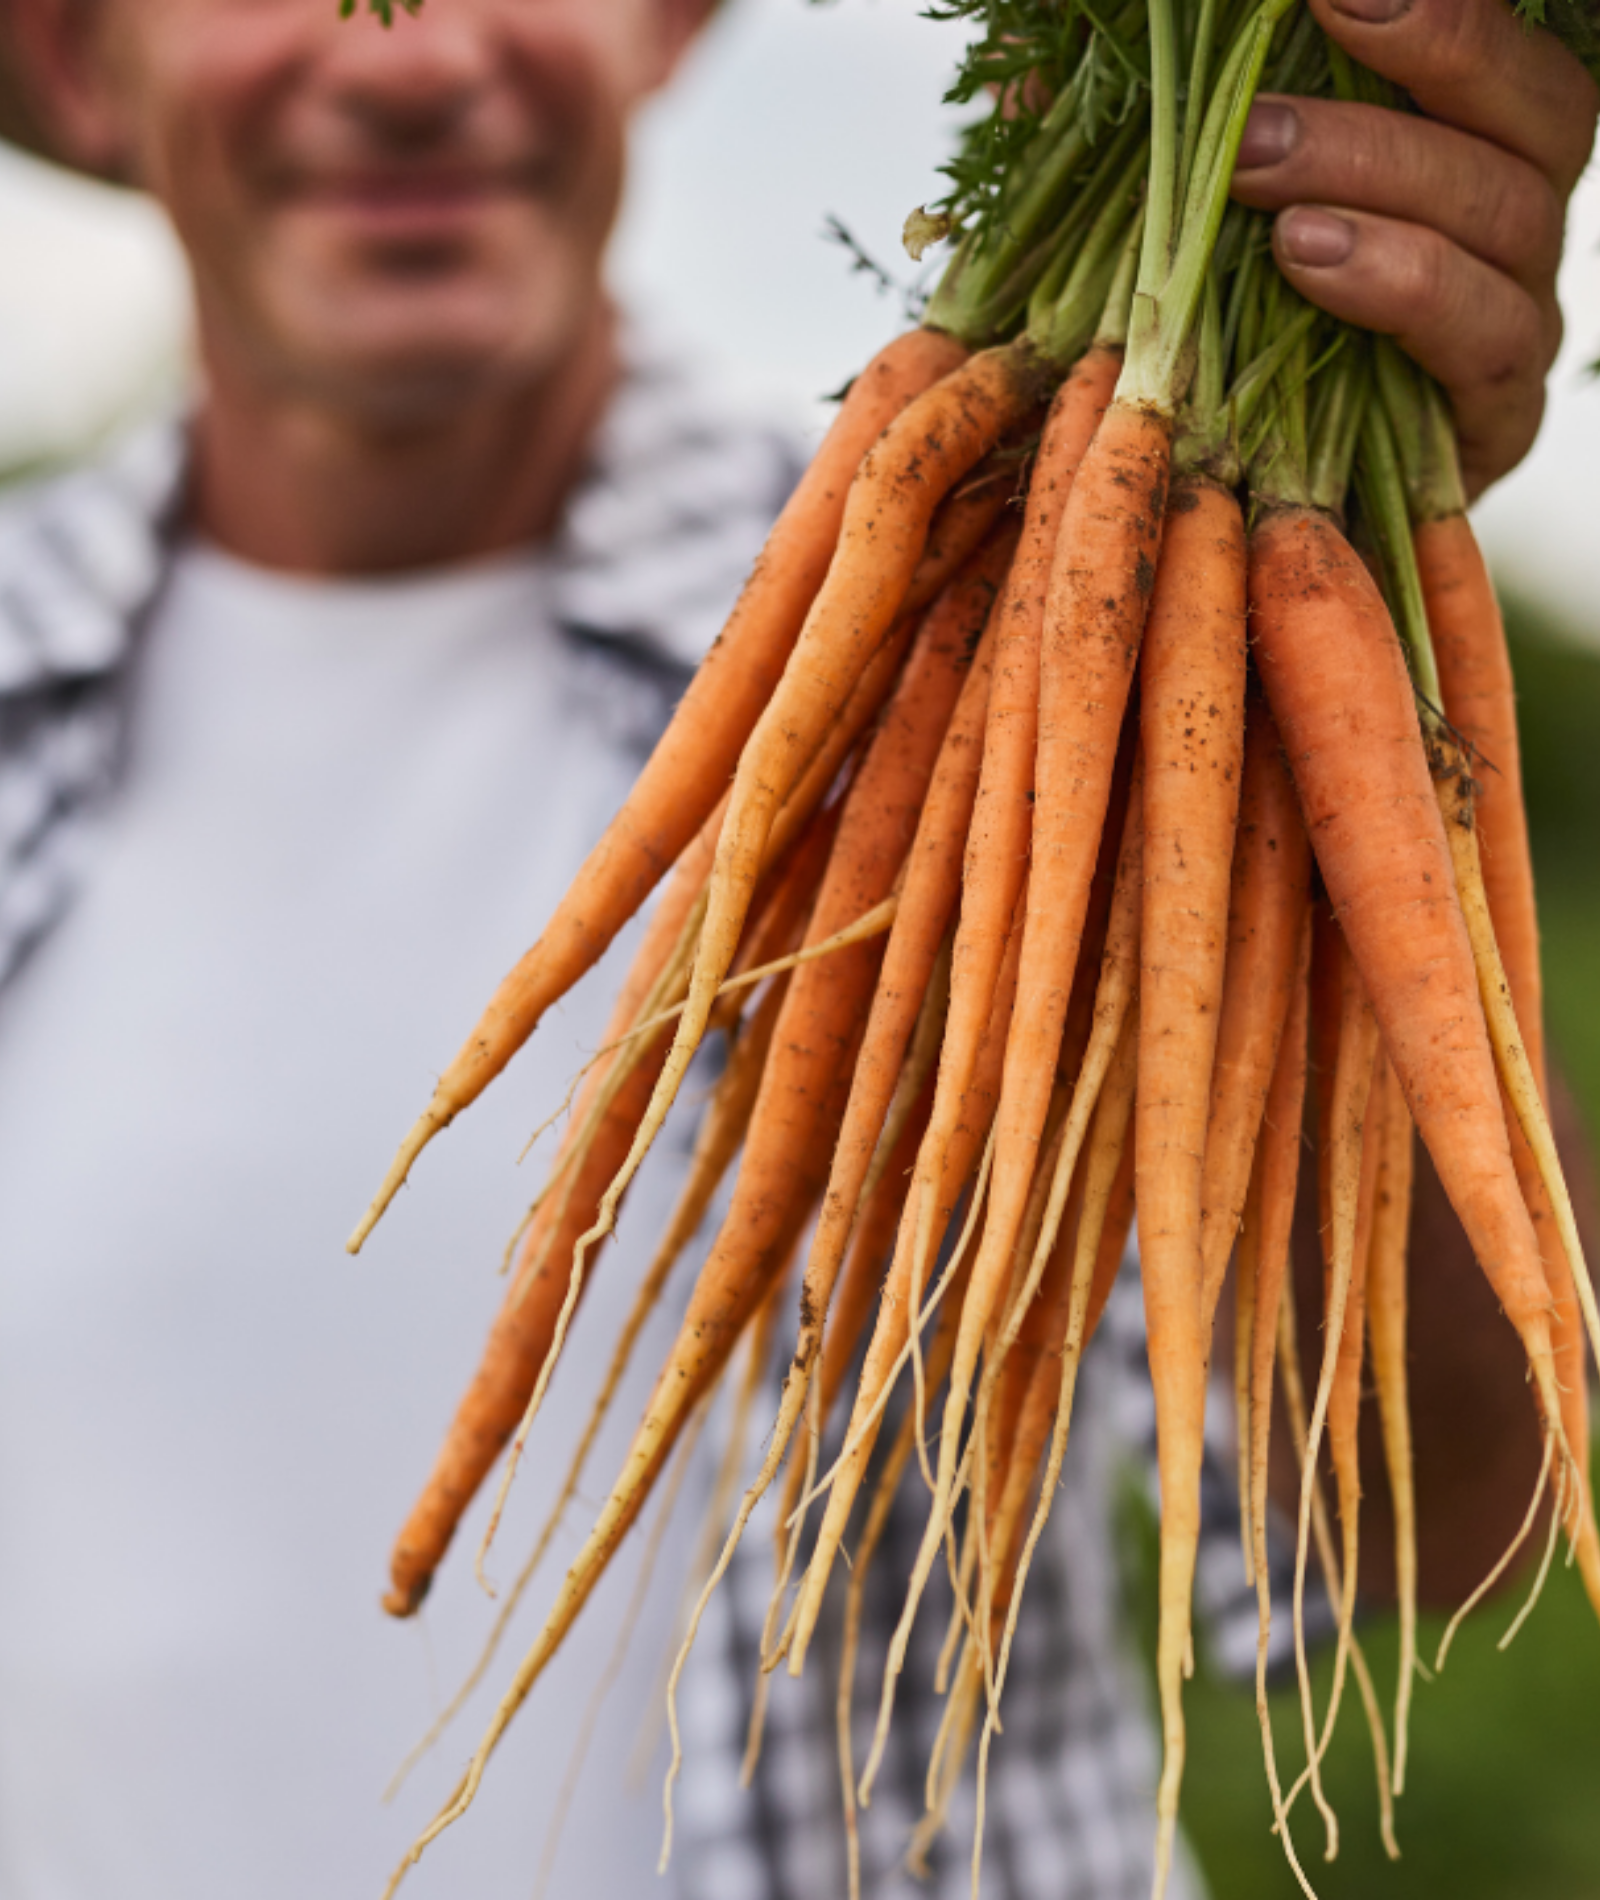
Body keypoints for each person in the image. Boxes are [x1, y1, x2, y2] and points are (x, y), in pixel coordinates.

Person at [0, 2, 1593, 1898]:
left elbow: (1438, 1526)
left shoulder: (998, 606)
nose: (412, 54)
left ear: (664, 28)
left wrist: (1305, 677)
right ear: (87, 67)